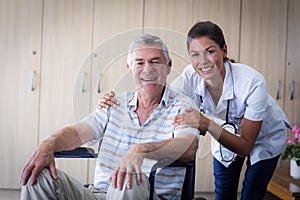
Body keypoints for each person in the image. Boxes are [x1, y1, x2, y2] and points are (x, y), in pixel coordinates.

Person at [98, 21, 291, 200]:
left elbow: (245, 146)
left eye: (210, 51)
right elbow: (159, 97)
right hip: (224, 131)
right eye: (195, 54)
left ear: (224, 51)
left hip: (263, 136)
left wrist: (207, 124)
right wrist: (120, 102)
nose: (203, 61)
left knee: (252, 191)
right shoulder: (190, 76)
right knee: (224, 192)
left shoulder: (251, 82)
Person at [20, 34, 200, 200]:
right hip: (99, 194)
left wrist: (142, 150)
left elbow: (188, 147)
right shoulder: (114, 104)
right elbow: (77, 133)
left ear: (168, 66)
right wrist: (48, 144)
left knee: (129, 177)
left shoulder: (183, 106)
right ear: (129, 68)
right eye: (139, 63)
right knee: (38, 176)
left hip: (149, 195)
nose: (148, 70)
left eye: (155, 62)